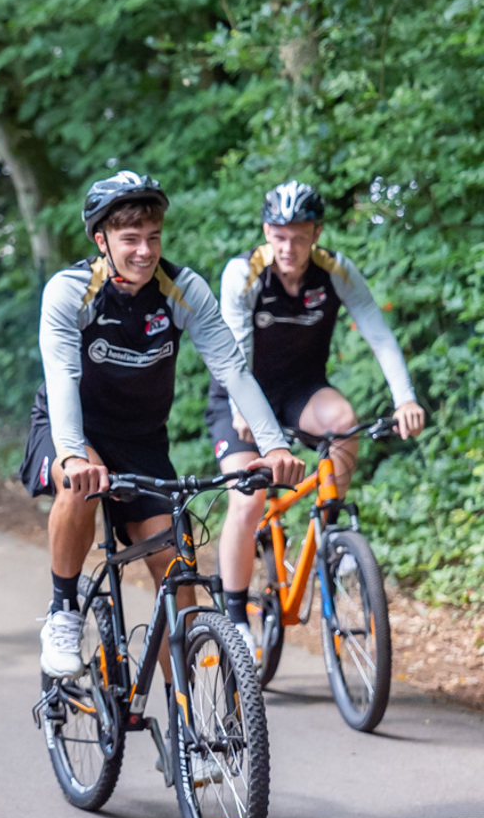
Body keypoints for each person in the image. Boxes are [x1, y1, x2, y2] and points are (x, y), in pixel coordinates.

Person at [23, 170, 304, 682]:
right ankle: (63, 611)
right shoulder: (70, 291)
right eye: (130, 239)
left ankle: (185, 718)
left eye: (153, 237)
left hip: (142, 440)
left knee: (178, 577)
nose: (145, 251)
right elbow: (62, 377)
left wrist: (274, 446)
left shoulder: (181, 288)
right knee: (79, 486)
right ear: (101, 240)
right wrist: (73, 455)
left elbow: (232, 369)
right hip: (73, 428)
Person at [207, 181, 425, 653]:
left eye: (299, 237)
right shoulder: (243, 272)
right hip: (241, 393)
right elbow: (234, 354)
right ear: (266, 231)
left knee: (344, 421)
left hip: (300, 391)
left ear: (317, 234)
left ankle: (331, 531)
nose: (288, 247)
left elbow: (378, 333)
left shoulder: (335, 271)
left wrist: (405, 399)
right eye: (279, 236)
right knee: (248, 500)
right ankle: (235, 616)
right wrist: (246, 413)